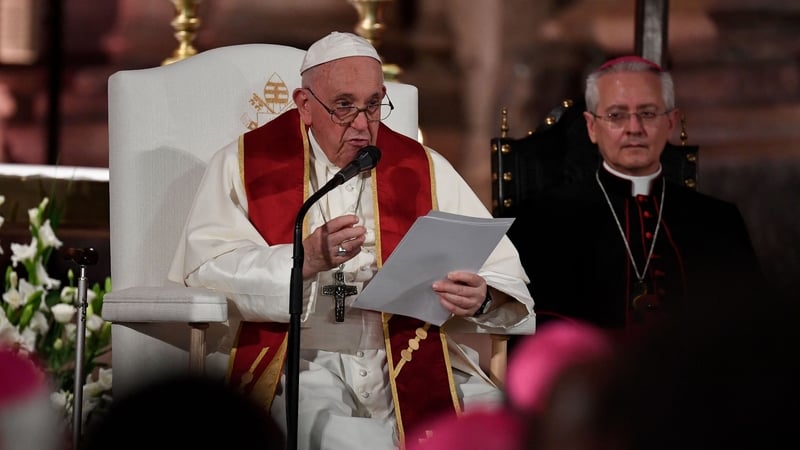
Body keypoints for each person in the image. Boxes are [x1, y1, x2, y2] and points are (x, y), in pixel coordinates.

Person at [167, 31, 534, 450]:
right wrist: (302, 262)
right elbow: (206, 269)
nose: (363, 124)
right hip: (303, 358)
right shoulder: (247, 164)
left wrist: (482, 297)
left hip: (405, 352)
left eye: (374, 105)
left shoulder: (422, 166)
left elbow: (501, 269)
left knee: (500, 430)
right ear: (305, 105)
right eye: (344, 106)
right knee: (331, 437)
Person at [507, 55, 766, 340]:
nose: (634, 128)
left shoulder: (719, 222)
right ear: (592, 127)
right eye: (616, 115)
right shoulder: (542, 220)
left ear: (670, 122)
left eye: (647, 113)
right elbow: (529, 331)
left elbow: (751, 325)